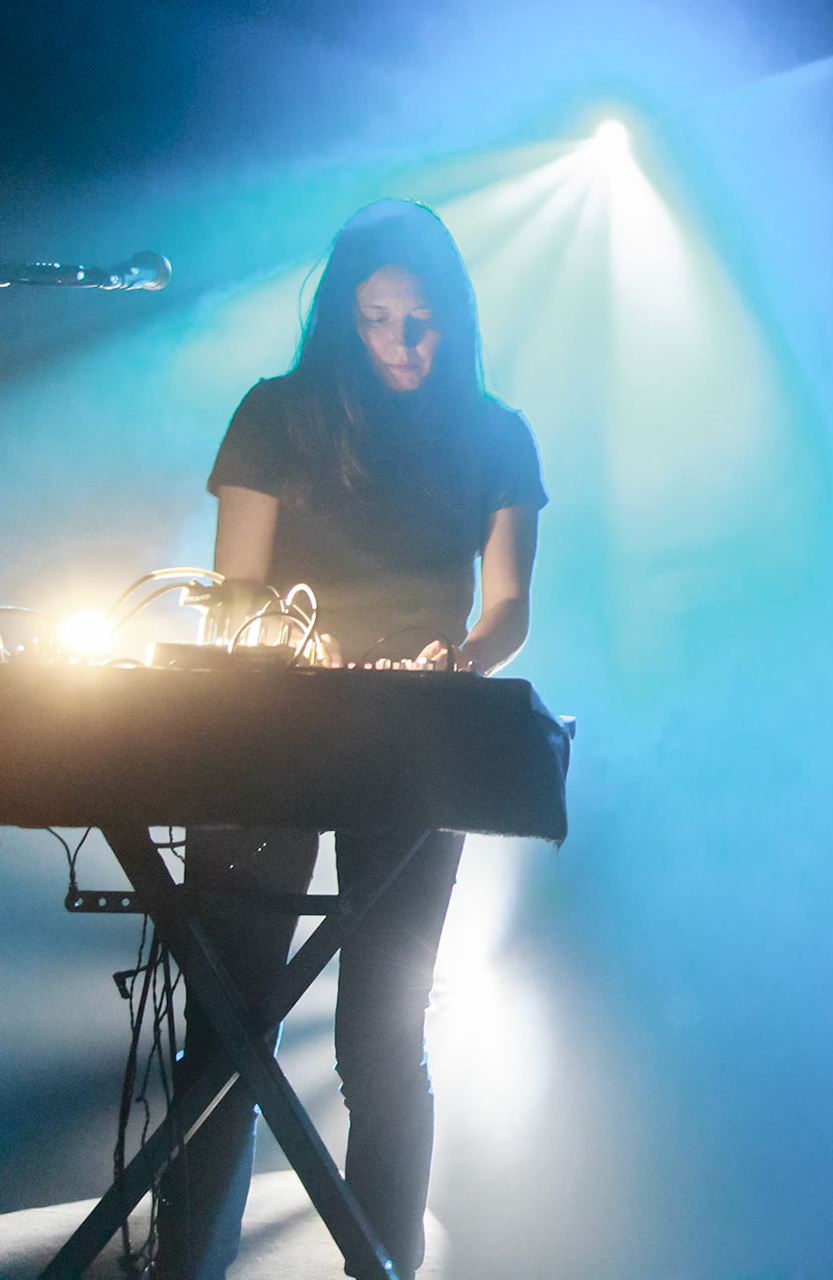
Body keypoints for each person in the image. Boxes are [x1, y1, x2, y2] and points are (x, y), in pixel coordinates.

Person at [155, 199, 546, 1280]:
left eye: (420, 321)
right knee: (228, 1033)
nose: (402, 344)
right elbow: (232, 594)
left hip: (416, 737)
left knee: (383, 1038)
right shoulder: (276, 412)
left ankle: (381, 1269)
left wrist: (455, 663)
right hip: (265, 731)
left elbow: (508, 606)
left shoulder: (496, 432)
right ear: (343, 317)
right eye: (378, 319)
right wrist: (288, 652)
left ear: (454, 317)